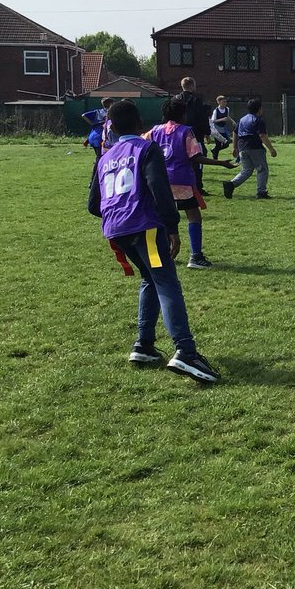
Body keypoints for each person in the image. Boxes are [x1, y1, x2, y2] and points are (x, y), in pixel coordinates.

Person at [87, 100, 219, 383]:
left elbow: (93, 204)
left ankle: (144, 345)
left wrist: (118, 212)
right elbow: (159, 189)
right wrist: (171, 226)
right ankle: (185, 350)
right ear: (139, 124)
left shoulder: (104, 157)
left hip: (115, 229)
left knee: (150, 278)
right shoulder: (146, 148)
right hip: (143, 227)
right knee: (166, 281)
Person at [145, 96, 235, 269]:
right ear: (183, 114)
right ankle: (195, 256)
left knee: (162, 217)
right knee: (194, 216)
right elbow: (196, 156)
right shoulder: (186, 131)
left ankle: (161, 254)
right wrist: (222, 163)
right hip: (183, 181)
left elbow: (142, 144)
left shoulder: (155, 131)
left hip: (160, 183)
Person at [223, 98, 277, 199]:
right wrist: (271, 149)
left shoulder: (242, 119)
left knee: (246, 170)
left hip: (242, 147)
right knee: (262, 169)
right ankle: (261, 192)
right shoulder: (259, 120)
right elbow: (262, 136)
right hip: (255, 147)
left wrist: (235, 147)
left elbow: (235, 132)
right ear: (260, 109)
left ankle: (230, 184)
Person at [177, 77, 210, 194]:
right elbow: (202, 118)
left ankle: (183, 184)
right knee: (199, 160)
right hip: (195, 136)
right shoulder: (196, 101)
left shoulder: (175, 100)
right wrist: (207, 132)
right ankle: (198, 187)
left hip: (178, 137)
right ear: (192, 86)